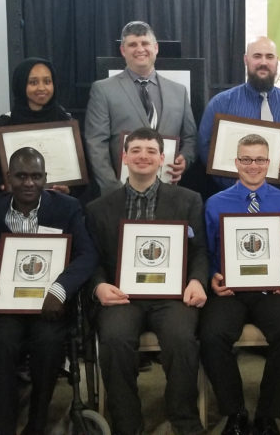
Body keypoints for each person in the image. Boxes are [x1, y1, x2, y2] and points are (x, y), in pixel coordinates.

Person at [0, 147, 98, 435]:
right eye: (21, 176)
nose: (29, 183)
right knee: (2, 345)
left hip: (50, 304)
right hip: (5, 305)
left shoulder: (67, 208)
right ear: (8, 178)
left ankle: (37, 424)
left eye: (36, 176)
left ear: (45, 178)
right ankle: (4, 426)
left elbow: (86, 255)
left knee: (48, 344)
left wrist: (60, 290)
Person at [85, 127, 208, 435]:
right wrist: (99, 286)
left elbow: (201, 251)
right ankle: (127, 424)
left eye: (151, 151)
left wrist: (196, 281)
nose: (143, 156)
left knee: (181, 340)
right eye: (136, 150)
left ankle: (185, 420)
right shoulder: (98, 209)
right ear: (124, 156)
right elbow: (92, 258)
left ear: (162, 159)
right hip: (122, 295)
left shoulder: (189, 200)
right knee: (114, 340)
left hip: (172, 295)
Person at [199, 134, 280, 435]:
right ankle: (235, 413)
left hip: (272, 290)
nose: (253, 165)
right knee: (211, 335)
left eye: (259, 159)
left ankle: (267, 415)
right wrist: (212, 277)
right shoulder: (214, 204)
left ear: (269, 163)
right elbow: (204, 251)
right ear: (236, 163)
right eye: (246, 159)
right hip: (228, 290)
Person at [85, 21, 197, 193]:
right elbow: (96, 144)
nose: (140, 49)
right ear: (123, 50)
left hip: (168, 191)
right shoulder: (103, 90)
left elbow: (190, 138)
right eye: (132, 44)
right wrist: (112, 188)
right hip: (121, 190)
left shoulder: (179, 92)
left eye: (145, 43)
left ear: (156, 48)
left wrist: (185, 159)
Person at [198, 36, 280, 195]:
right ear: (246, 60)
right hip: (232, 197)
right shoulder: (221, 104)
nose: (263, 62)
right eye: (257, 56)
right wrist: (229, 181)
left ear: (277, 62)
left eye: (269, 57)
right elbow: (204, 146)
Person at [0, 58, 75, 197]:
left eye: (47, 81)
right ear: (21, 85)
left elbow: (83, 177)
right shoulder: (4, 125)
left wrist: (70, 189)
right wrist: (5, 186)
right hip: (14, 207)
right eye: (33, 82)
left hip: (59, 205)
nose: (42, 88)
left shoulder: (66, 122)